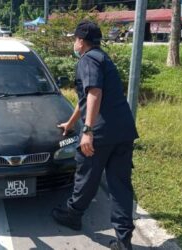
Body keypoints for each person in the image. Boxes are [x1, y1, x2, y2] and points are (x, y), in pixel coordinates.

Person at [52, 21, 138, 250]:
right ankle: (124, 239)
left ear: (81, 41)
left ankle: (72, 213)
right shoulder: (102, 58)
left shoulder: (87, 60)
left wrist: (87, 131)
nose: (74, 43)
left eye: (75, 39)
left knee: (87, 176)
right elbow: (85, 99)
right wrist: (71, 124)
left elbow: (94, 93)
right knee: (120, 185)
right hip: (123, 131)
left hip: (101, 132)